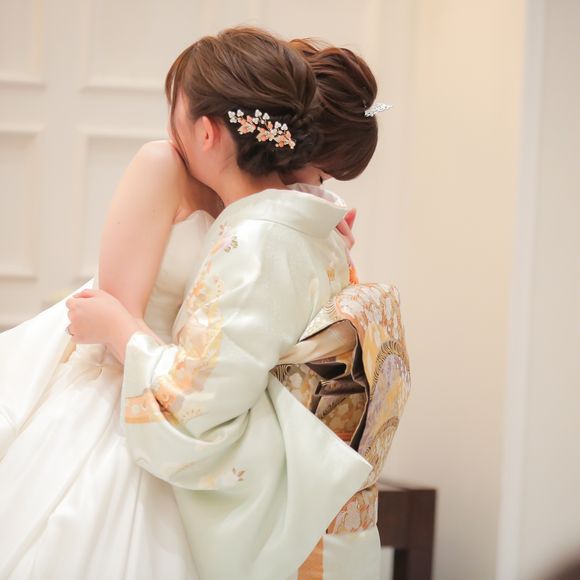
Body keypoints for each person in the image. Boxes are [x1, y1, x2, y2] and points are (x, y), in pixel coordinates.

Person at [0, 27, 387, 580]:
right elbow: (119, 307)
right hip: (131, 393)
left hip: (198, 401)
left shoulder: (283, 214)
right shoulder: (167, 166)